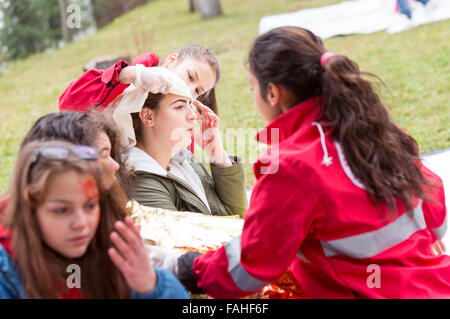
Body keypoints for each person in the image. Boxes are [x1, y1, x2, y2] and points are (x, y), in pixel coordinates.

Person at [151, 26, 449, 298]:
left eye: (252, 87)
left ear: (272, 93)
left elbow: (250, 265)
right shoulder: (381, 130)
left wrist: (184, 268)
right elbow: (436, 218)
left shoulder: (293, 168)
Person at [0, 140, 189, 299]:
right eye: (62, 210)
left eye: (90, 205)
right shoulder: (7, 272)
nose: (81, 223)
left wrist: (151, 285)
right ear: (29, 210)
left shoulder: (110, 245)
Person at [126, 91, 247, 217]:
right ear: (148, 116)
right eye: (179, 107)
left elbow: (239, 215)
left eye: (190, 105)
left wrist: (218, 154)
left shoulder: (187, 162)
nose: (193, 116)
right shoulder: (141, 182)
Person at [59, 44, 221, 115]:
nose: (189, 89)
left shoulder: (184, 119)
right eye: (190, 76)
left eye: (198, 91)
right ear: (172, 61)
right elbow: (68, 106)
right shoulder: (124, 85)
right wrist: (129, 74)